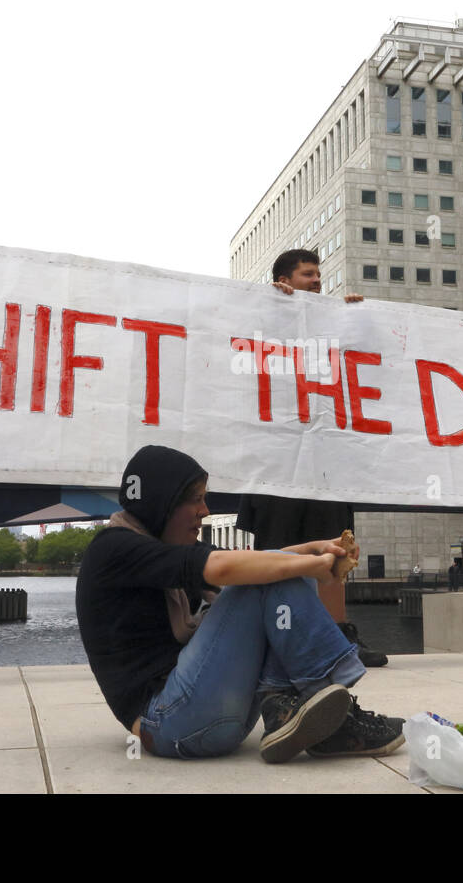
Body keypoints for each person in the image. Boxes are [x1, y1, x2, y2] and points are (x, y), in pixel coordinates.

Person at [75, 444, 403, 762]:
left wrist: (312, 550)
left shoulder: (156, 548)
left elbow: (249, 561)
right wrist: (310, 567)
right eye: (195, 500)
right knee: (268, 577)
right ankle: (329, 712)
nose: (205, 511)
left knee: (271, 572)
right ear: (162, 503)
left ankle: (281, 707)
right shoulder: (115, 549)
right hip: (167, 722)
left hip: (203, 716)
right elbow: (224, 568)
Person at [236, 249, 387, 666]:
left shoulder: (332, 323)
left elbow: (367, 361)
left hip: (324, 460)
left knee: (336, 549)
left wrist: (357, 319)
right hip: (277, 462)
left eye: (320, 275)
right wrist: (265, 303)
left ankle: (339, 639)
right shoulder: (262, 319)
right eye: (308, 275)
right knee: (278, 552)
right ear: (285, 279)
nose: (318, 281)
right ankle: (274, 639)